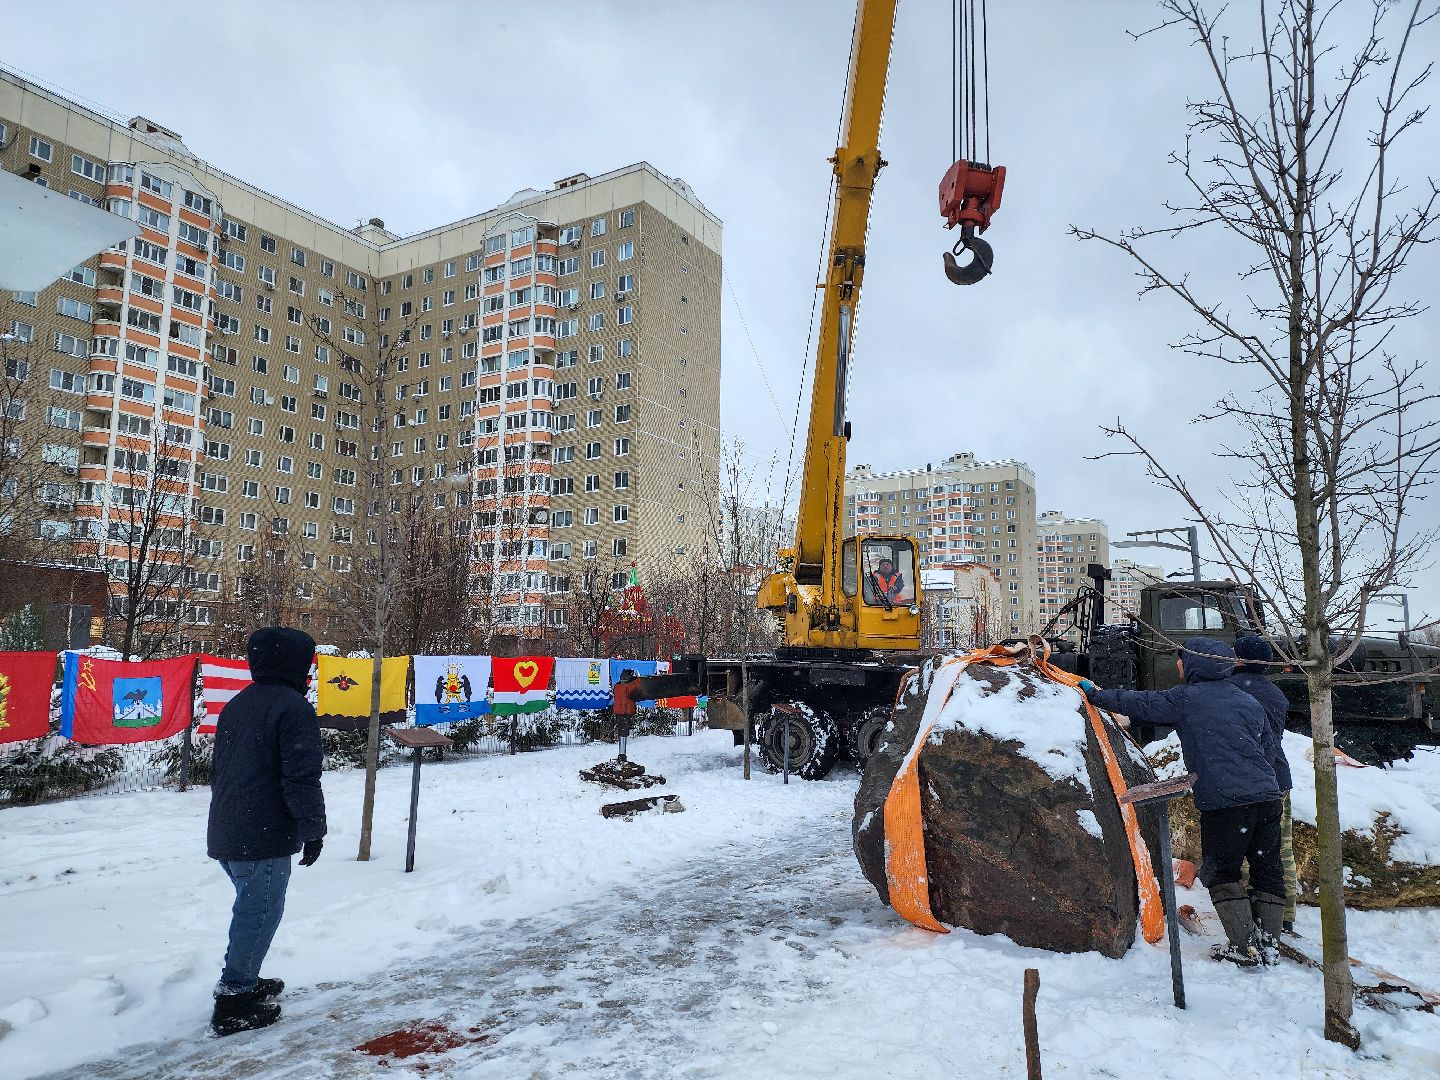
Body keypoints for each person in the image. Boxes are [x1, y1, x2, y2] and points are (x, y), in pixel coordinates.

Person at [1079, 637, 1284, 967]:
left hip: (1226, 803)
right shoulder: (1246, 700)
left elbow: (1141, 703)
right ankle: (1268, 945)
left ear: (1195, 664)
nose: (1178, 664)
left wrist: (1096, 694)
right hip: (1268, 797)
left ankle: (1245, 947)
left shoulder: (1187, 698)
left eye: (1182, 659)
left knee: (1222, 872)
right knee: (1267, 868)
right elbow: (1269, 748)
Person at [207, 627, 327, 1036]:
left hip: (230, 828)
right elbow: (301, 776)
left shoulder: (239, 703)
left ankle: (245, 977)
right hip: (262, 833)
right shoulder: (292, 708)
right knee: (258, 914)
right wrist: (314, 829)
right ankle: (233, 1001)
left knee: (253, 909)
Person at [1231, 635, 1297, 932]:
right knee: (1282, 849)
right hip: (1278, 777)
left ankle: (1255, 917)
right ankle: (1285, 914)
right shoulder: (1275, 693)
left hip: (1247, 782)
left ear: (1239, 659)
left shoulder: (1230, 689)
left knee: (1249, 850)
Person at [611, 668, 641, 761]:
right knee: (623, 732)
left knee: (622, 731)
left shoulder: (617, 686)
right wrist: (636, 679)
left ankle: (622, 754)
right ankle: (622, 755)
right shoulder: (628, 687)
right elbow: (637, 684)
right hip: (625, 712)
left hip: (620, 712)